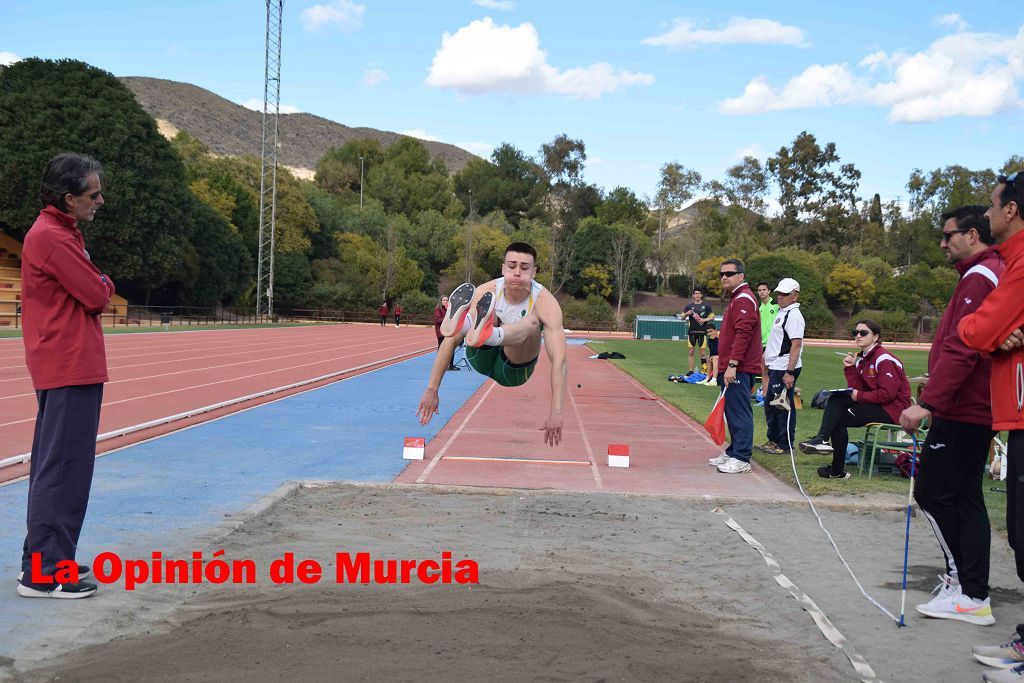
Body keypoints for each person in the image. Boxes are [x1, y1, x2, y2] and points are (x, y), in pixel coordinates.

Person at [895, 205, 1002, 626]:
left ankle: (968, 588)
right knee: (965, 497)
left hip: (965, 409)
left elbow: (965, 347)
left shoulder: (981, 275)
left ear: (972, 235)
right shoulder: (982, 274)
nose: (943, 243)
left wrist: (929, 402)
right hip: (971, 406)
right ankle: (972, 590)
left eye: (948, 235)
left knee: (933, 492)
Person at [18, 153, 115, 599]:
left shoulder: (60, 233)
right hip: (68, 364)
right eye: (93, 194)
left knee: (59, 468)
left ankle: (45, 564)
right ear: (69, 198)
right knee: (63, 470)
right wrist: (106, 282)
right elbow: (96, 294)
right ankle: (46, 572)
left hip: (67, 363)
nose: (100, 200)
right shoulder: (54, 238)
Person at [956, 171, 1024, 679]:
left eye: (994, 204)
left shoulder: (1013, 264)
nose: (989, 211)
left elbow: (978, 328)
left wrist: (988, 330)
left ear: (1012, 211)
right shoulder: (1010, 261)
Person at [417, 242, 567, 446]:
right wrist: (432, 389)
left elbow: (559, 360)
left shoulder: (545, 302)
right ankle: (475, 327)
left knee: (532, 322)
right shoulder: (486, 291)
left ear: (534, 272)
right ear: (503, 268)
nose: (517, 272)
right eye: (512, 266)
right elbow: (449, 339)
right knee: (489, 312)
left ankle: (483, 330)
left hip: (513, 370)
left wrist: (556, 411)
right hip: (480, 356)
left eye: (524, 268)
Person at [798, 319, 911, 479]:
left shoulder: (884, 359)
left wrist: (859, 395)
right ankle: (830, 457)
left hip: (893, 410)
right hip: (879, 405)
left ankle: (827, 452)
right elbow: (857, 388)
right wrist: (850, 368)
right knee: (836, 402)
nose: (858, 336)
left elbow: (887, 394)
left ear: (875, 337)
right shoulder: (863, 359)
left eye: (863, 333)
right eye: (855, 333)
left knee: (838, 416)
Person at [707, 259, 761, 474]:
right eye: (721, 273)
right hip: (732, 366)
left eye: (729, 273)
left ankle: (742, 458)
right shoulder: (736, 298)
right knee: (732, 411)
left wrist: (732, 365)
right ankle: (733, 451)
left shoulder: (744, 299)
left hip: (739, 367)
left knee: (739, 412)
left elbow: (744, 334)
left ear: (741, 276)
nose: (724, 277)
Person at [758, 278, 805, 455]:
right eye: (779, 293)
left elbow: (796, 345)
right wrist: (766, 356)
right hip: (775, 365)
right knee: (771, 404)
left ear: (795, 296)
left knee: (782, 406)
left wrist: (789, 372)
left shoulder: (794, 315)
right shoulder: (782, 312)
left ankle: (785, 444)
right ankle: (774, 440)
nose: (781, 296)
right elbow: (776, 338)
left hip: (785, 366)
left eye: (785, 294)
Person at [681, 288, 713, 376]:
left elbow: (713, 316)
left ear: (701, 295)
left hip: (702, 332)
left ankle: (704, 370)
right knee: (691, 351)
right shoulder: (689, 306)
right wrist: (687, 313)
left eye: (699, 293)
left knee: (702, 352)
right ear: (693, 295)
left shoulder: (706, 306)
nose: (697, 295)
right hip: (692, 332)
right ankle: (690, 371)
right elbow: (682, 317)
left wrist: (704, 319)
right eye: (695, 293)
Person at [757, 281, 779, 399]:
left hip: (774, 343)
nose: (761, 292)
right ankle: (765, 397)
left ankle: (775, 395)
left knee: (774, 371)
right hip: (762, 343)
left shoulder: (776, 305)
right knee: (764, 371)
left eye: (764, 289)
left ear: (769, 291)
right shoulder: (758, 307)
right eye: (759, 290)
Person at [432, 295, 458, 371]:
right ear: (441, 301)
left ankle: (451, 365)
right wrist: (447, 317)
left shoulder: (449, 309)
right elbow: (437, 320)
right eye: (444, 300)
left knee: (451, 348)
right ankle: (440, 366)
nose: (445, 301)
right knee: (441, 350)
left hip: (449, 331)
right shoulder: (437, 309)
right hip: (441, 332)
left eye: (447, 300)